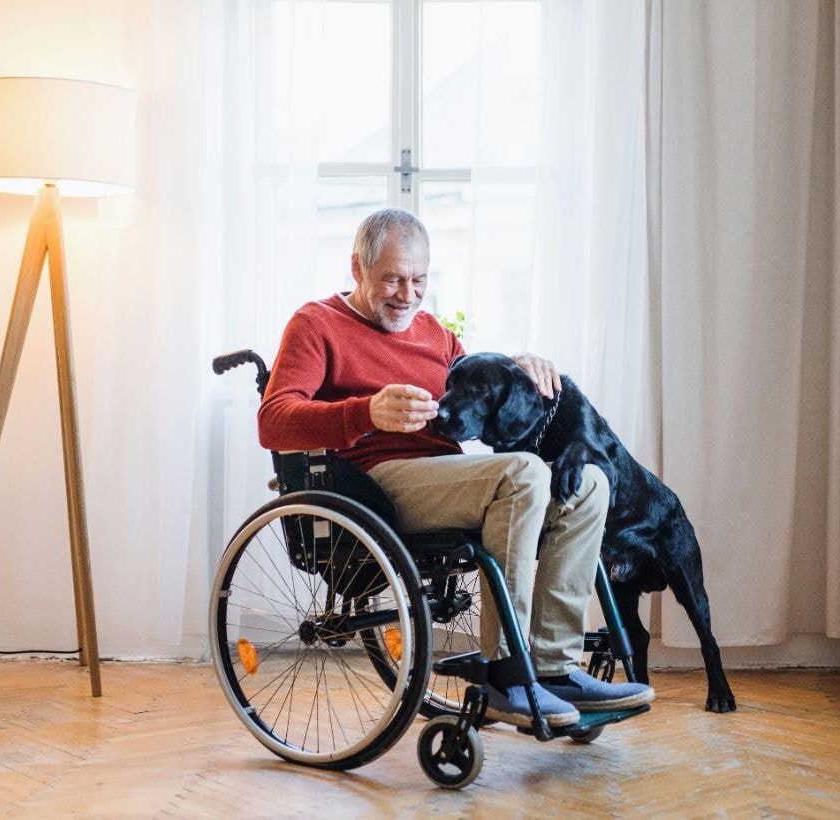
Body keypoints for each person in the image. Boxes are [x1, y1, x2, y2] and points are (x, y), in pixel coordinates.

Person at [257, 207, 653, 728]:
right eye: (392, 279)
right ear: (357, 268)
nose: (407, 294)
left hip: (452, 478)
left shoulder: (436, 336)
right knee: (524, 473)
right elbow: (274, 421)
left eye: (419, 279)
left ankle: (553, 668)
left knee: (590, 484)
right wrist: (364, 411)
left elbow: (480, 399)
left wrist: (522, 369)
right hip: (374, 485)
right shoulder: (317, 324)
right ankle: (505, 675)